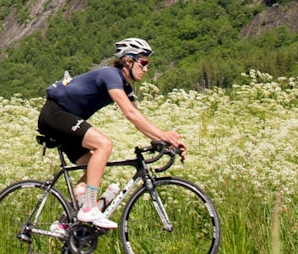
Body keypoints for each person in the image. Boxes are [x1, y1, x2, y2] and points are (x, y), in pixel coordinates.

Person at [37, 37, 187, 229]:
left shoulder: (125, 85)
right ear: (128, 60)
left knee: (94, 165)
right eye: (143, 63)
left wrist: (167, 141)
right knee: (104, 145)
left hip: (65, 118)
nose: (146, 69)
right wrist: (163, 136)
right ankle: (90, 207)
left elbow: (138, 118)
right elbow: (130, 113)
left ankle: (66, 222)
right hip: (55, 113)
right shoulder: (111, 75)